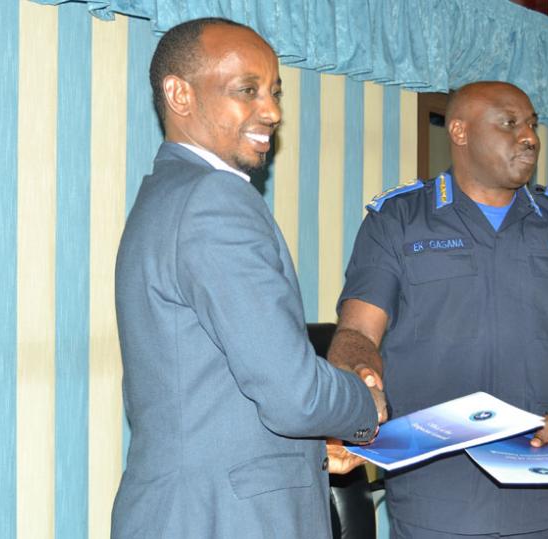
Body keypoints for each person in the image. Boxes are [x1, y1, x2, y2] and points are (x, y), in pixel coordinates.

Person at [111, 17, 386, 539]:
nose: (273, 111)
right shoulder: (214, 201)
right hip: (225, 519)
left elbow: (207, 389)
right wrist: (364, 403)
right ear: (179, 94)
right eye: (247, 91)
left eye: (275, 92)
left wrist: (309, 445)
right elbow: (294, 394)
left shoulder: (166, 195)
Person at [328, 81, 548, 538]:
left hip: (538, 484)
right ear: (460, 132)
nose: (528, 137)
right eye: (510, 123)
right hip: (435, 489)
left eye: (531, 124)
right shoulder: (398, 219)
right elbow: (357, 335)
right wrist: (363, 384)